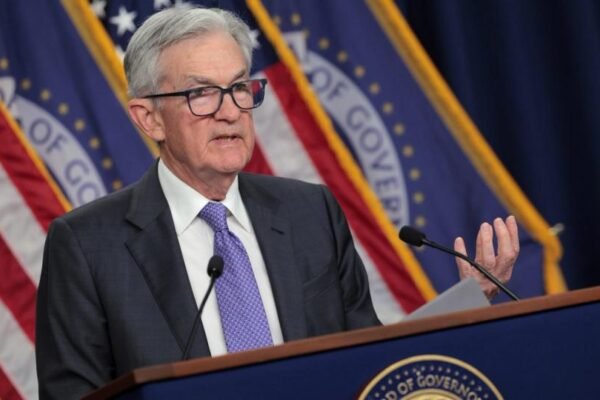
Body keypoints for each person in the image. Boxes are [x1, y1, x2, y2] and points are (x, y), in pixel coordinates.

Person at [35, 7, 519, 399]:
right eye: (202, 93)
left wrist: (466, 303)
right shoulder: (87, 245)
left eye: (238, 87)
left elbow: (370, 360)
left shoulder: (310, 212)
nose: (230, 111)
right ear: (149, 118)